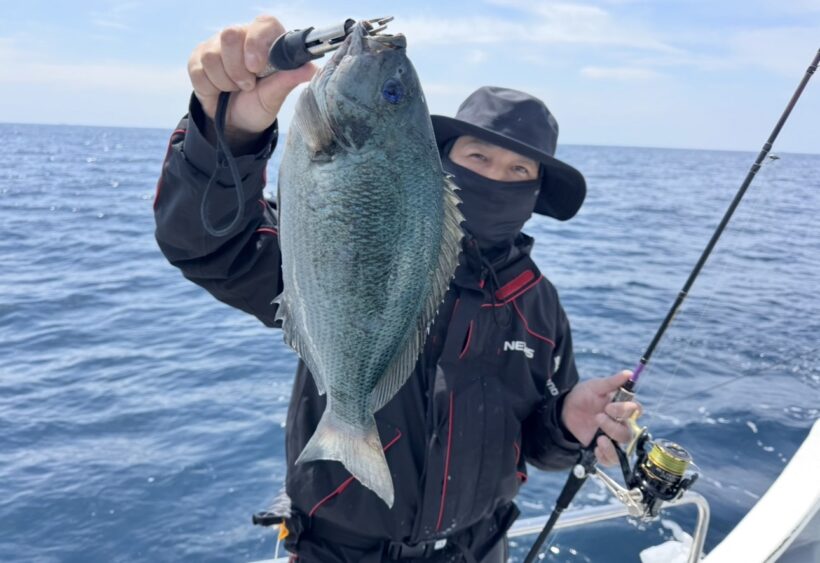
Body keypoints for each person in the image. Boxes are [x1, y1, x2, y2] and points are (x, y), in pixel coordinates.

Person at [154, 15, 640, 563]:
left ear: (535, 192)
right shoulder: (363, 237)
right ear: (439, 161)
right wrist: (229, 136)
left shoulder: (538, 304)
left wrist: (567, 422)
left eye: (518, 170)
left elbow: (538, 444)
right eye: (478, 157)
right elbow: (212, 245)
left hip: (479, 551)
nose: (495, 177)